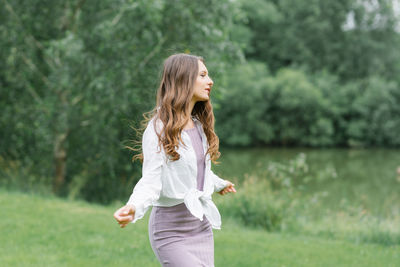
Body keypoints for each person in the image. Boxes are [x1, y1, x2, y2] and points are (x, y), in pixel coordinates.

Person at [113, 53, 236, 267]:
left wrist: (218, 184)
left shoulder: (199, 126)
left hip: (200, 225)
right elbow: (152, 180)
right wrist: (133, 206)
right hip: (171, 230)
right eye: (203, 75)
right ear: (184, 79)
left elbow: (196, 171)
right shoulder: (158, 129)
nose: (210, 81)